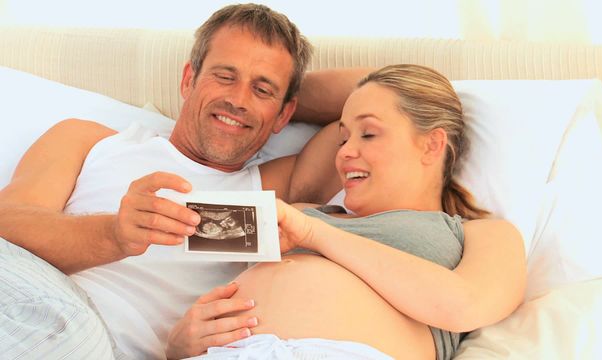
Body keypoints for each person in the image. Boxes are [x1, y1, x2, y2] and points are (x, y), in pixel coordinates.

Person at [0, 3, 348, 359]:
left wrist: (288, 95)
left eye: (261, 90)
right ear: (188, 80)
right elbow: (7, 222)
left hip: (97, 346)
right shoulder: (87, 140)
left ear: (285, 113)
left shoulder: (274, 190)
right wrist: (114, 235)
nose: (236, 100)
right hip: (28, 297)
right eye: (225, 77)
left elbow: (388, 102)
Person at [170, 65, 527, 359]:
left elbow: (462, 306)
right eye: (342, 139)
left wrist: (315, 235)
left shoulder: (482, 233)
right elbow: (285, 95)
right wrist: (179, 347)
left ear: (432, 144)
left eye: (368, 134)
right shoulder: (301, 213)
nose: (343, 154)